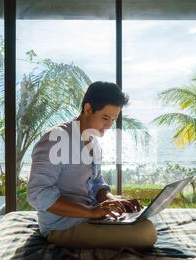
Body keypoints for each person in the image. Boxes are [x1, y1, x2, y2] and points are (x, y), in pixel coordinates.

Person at [27, 81, 157, 249]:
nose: (109, 125)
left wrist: (113, 200)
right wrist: (90, 212)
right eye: (105, 117)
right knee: (147, 233)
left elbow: (96, 183)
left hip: (89, 218)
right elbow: (37, 193)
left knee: (145, 222)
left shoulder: (93, 141)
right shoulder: (55, 139)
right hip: (61, 227)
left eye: (114, 119)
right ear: (88, 109)